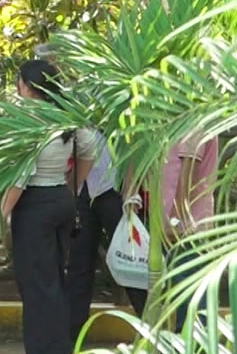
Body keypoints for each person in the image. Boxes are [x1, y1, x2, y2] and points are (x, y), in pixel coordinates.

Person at [0, 59, 97, 354]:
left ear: (27, 86)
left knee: (36, 285)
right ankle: (59, 345)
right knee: (54, 278)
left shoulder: (28, 117)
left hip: (34, 205)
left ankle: (45, 348)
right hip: (61, 200)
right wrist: (73, 186)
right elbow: (90, 146)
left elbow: (21, 175)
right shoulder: (65, 114)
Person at [67, 130, 148, 341]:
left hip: (115, 188)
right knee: (78, 266)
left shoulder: (119, 98)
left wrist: (131, 187)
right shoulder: (74, 98)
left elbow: (133, 138)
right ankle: (72, 338)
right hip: (81, 189)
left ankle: (152, 332)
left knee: (132, 261)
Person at [162, 129, 219, 331]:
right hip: (176, 225)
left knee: (191, 300)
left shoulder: (194, 122)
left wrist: (176, 219)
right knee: (185, 296)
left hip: (186, 227)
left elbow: (188, 173)